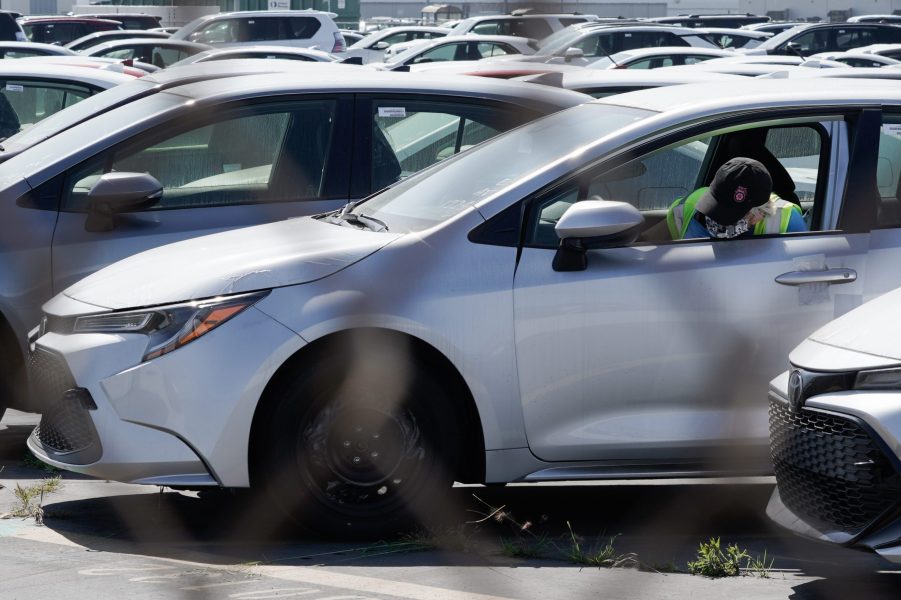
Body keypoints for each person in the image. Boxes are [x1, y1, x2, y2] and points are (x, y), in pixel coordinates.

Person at [667, 156, 807, 241]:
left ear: (760, 213)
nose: (715, 222)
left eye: (728, 217)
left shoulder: (787, 222)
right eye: (714, 208)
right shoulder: (685, 208)